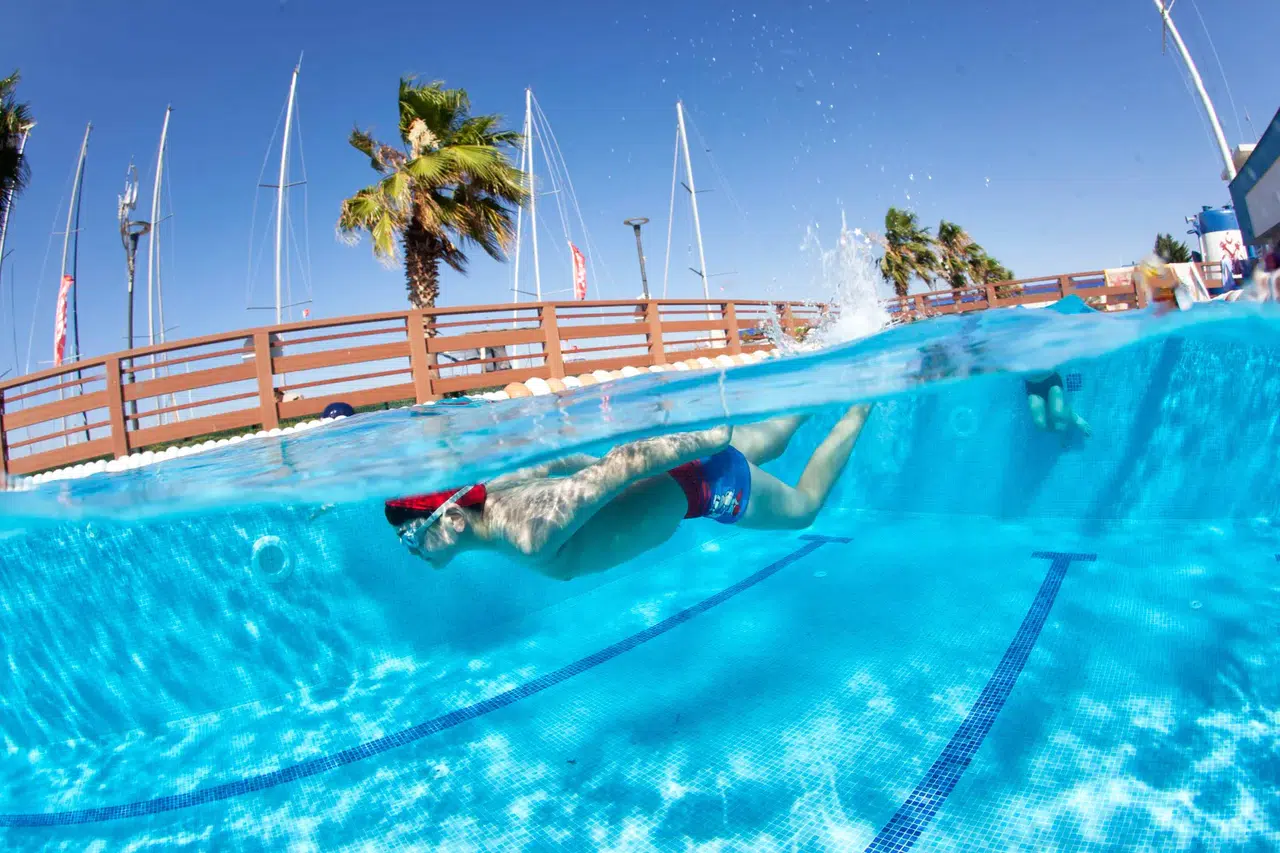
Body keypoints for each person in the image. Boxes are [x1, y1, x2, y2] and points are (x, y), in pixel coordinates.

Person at [385, 405, 873, 581]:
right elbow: (580, 463)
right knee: (777, 434)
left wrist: (712, 436)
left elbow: (618, 468)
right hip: (681, 462)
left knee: (805, 508)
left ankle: (859, 407)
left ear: (450, 519)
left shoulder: (527, 533)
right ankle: (824, 399)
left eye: (412, 535)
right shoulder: (497, 491)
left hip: (701, 482)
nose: (410, 547)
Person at [1024, 371, 1090, 436]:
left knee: (1057, 414)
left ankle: (1075, 418)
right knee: (1040, 424)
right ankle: (1062, 429)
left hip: (1051, 380)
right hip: (1032, 387)